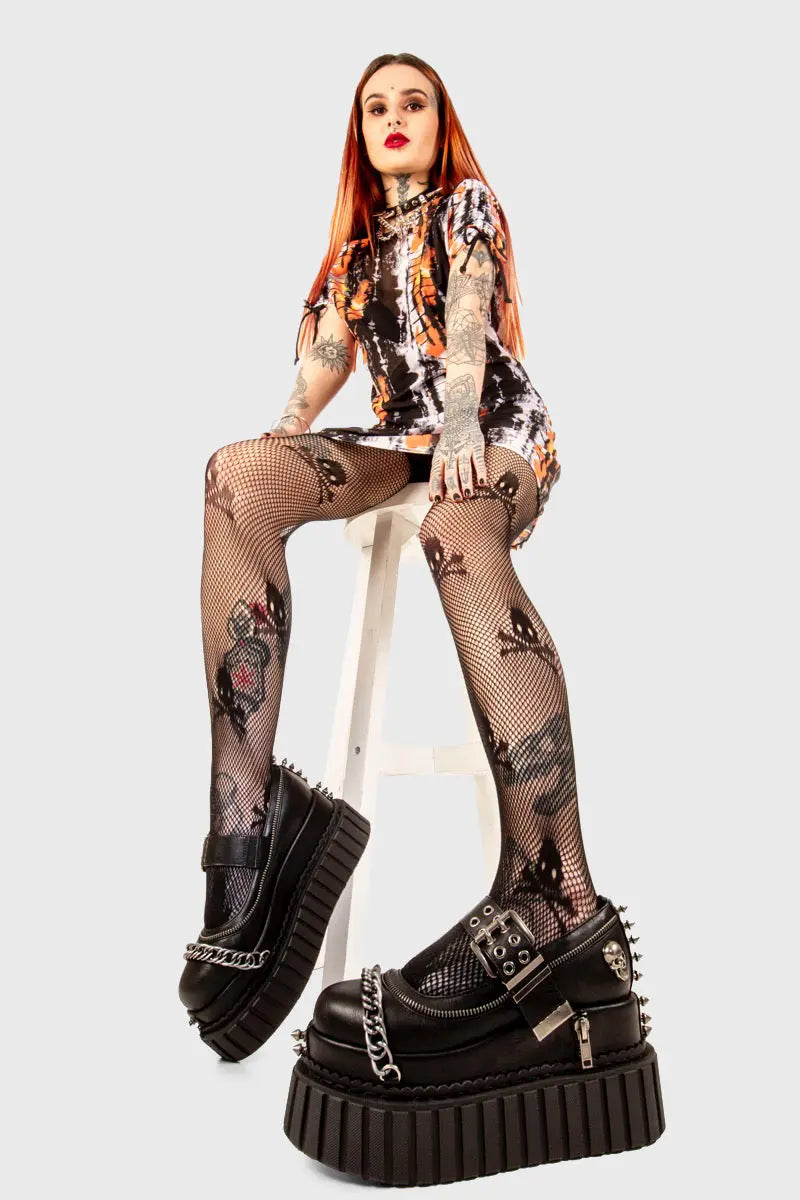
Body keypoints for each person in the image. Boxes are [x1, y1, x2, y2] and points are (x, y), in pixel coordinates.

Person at [180, 52, 664, 1183]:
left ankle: (557, 894)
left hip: (489, 428)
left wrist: (459, 434)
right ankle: (250, 829)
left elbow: (468, 324)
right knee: (236, 477)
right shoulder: (354, 249)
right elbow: (321, 365)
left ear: (442, 125)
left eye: (415, 104)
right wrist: (286, 436)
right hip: (401, 439)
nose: (395, 119)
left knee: (454, 529)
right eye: (376, 107)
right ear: (358, 133)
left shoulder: (464, 208)